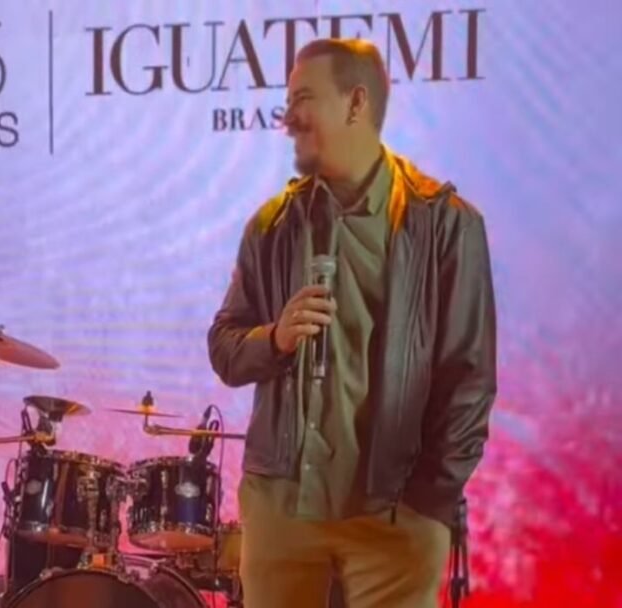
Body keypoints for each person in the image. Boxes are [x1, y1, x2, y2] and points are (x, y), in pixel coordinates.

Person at [207, 38, 497, 608]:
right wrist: (275, 339)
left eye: (303, 99)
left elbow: (469, 381)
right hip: (282, 512)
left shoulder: (445, 224)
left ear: (356, 103)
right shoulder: (272, 225)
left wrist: (426, 506)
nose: (288, 117)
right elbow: (224, 345)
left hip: (393, 520)